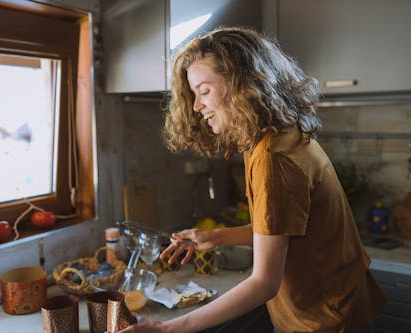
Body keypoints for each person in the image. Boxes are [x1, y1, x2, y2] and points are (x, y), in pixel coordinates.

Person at [116, 26, 387, 333]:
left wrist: (166, 329)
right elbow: (286, 227)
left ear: (243, 84)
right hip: (337, 301)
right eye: (194, 94)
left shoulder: (273, 157)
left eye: (204, 91)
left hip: (322, 317)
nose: (196, 106)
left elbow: (263, 283)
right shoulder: (275, 135)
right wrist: (217, 237)